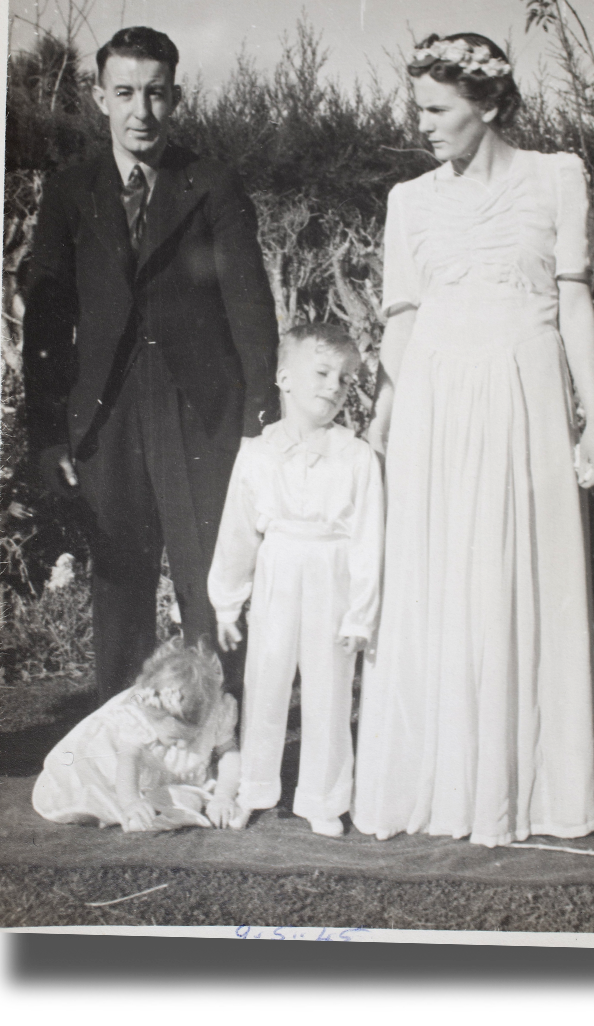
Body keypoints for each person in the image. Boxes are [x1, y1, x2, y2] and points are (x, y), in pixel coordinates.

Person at [352, 33, 594, 846]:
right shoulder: (409, 199)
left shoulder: (557, 178)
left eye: (438, 109)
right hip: (434, 399)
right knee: (437, 578)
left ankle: (527, 793)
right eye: (418, 108)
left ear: (489, 105)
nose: (422, 125)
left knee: (521, 574)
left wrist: (593, 420)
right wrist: (383, 418)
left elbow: (573, 308)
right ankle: (442, 785)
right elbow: (402, 320)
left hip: (526, 395)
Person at [22, 27, 280, 705]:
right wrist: (48, 437)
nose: (142, 111)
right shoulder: (71, 190)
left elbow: (250, 304)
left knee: (209, 583)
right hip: (106, 413)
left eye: (157, 94)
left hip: (200, 408)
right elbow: (46, 322)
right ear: (100, 96)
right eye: (126, 93)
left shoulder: (212, 183)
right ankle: (123, 745)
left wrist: (260, 420)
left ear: (176, 97)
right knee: (120, 585)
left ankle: (218, 744)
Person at [207, 323, 384, 836]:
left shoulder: (356, 457)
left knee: (330, 689)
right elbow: (237, 531)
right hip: (278, 571)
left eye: (346, 380)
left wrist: (360, 613)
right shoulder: (257, 453)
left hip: (333, 572)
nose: (335, 386)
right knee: (266, 682)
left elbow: (368, 540)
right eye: (323, 372)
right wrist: (227, 603)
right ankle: (255, 789)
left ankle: (324, 798)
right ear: (284, 376)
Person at [32, 638, 241, 832]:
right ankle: (134, 799)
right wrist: (131, 801)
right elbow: (128, 758)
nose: (183, 747)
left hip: (167, 769)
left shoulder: (215, 710)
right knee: (95, 793)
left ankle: (164, 793)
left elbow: (228, 751)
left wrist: (224, 796)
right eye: (174, 739)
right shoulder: (142, 715)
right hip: (127, 764)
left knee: (187, 798)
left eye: (192, 738)